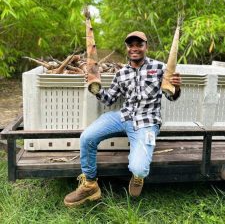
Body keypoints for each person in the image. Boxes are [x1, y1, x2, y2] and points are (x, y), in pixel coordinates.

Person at [64, 31, 181, 207]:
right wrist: (95, 88)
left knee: (140, 168)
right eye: (130, 45)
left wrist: (176, 88)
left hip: (147, 122)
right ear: (126, 48)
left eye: (139, 44)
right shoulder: (122, 73)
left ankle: (138, 177)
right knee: (87, 137)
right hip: (123, 116)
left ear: (146, 47)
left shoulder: (159, 68)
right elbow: (109, 99)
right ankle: (90, 184)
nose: (134, 48)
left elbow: (171, 96)